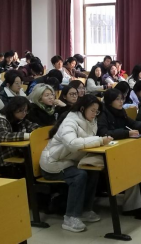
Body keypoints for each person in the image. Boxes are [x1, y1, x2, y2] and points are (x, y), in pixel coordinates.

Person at [40, 95, 112, 233]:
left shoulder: (92, 121)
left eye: (97, 111)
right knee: (79, 175)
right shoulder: (70, 121)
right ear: (83, 109)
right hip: (52, 163)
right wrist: (99, 140)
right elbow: (72, 144)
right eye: (92, 110)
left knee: (93, 170)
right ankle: (70, 217)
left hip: (70, 161)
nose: (95, 114)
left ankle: (85, 210)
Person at [0, 97, 39, 178]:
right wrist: (28, 135)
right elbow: (2, 136)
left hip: (12, 158)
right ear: (13, 109)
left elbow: (35, 127)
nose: (24, 113)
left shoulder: (20, 119)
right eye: (21, 111)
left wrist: (38, 132)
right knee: (25, 173)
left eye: (26, 111)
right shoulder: (1, 120)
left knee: (33, 167)